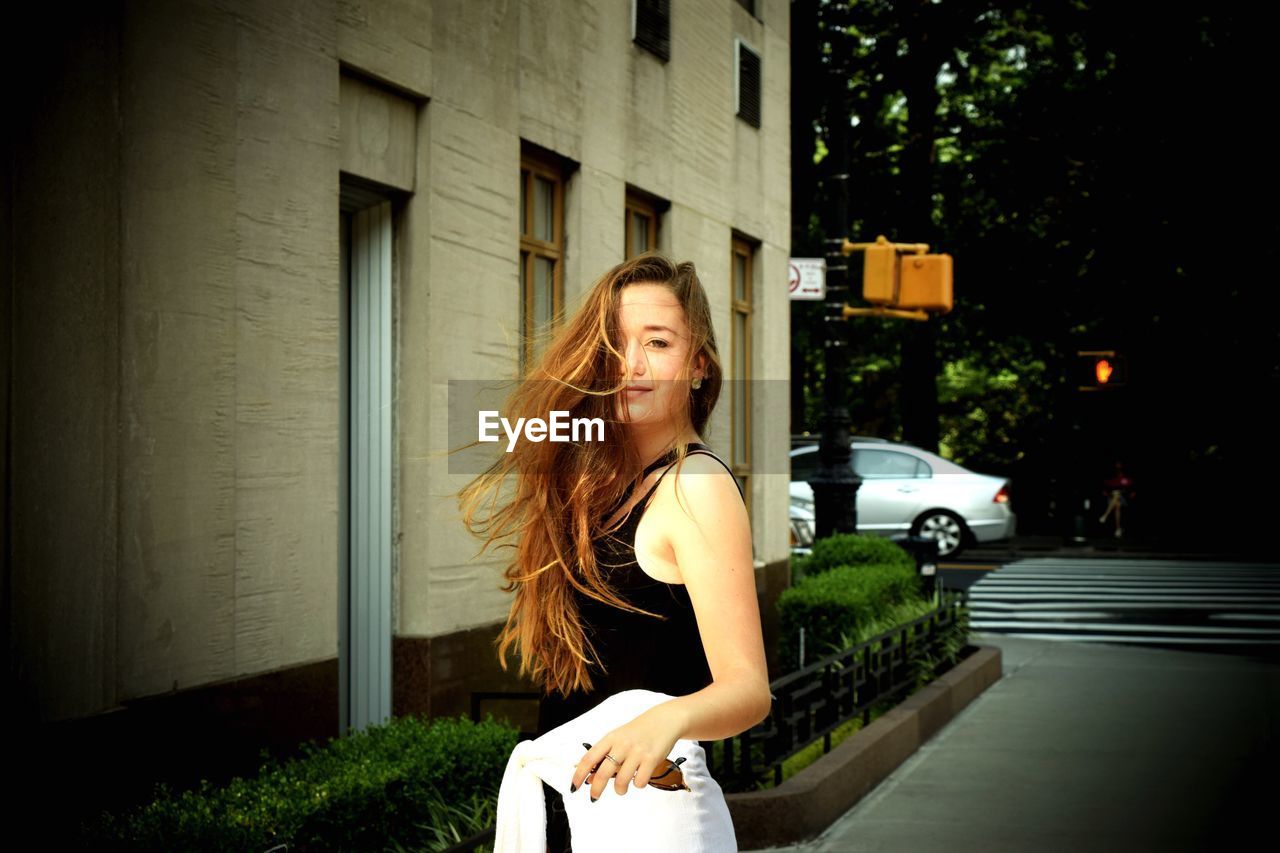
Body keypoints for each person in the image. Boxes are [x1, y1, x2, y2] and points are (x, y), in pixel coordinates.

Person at [457, 253, 772, 851]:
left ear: (698, 365)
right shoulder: (606, 487)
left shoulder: (694, 486)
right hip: (576, 810)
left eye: (658, 343)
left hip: (646, 820)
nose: (631, 365)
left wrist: (667, 717)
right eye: (614, 344)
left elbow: (748, 690)